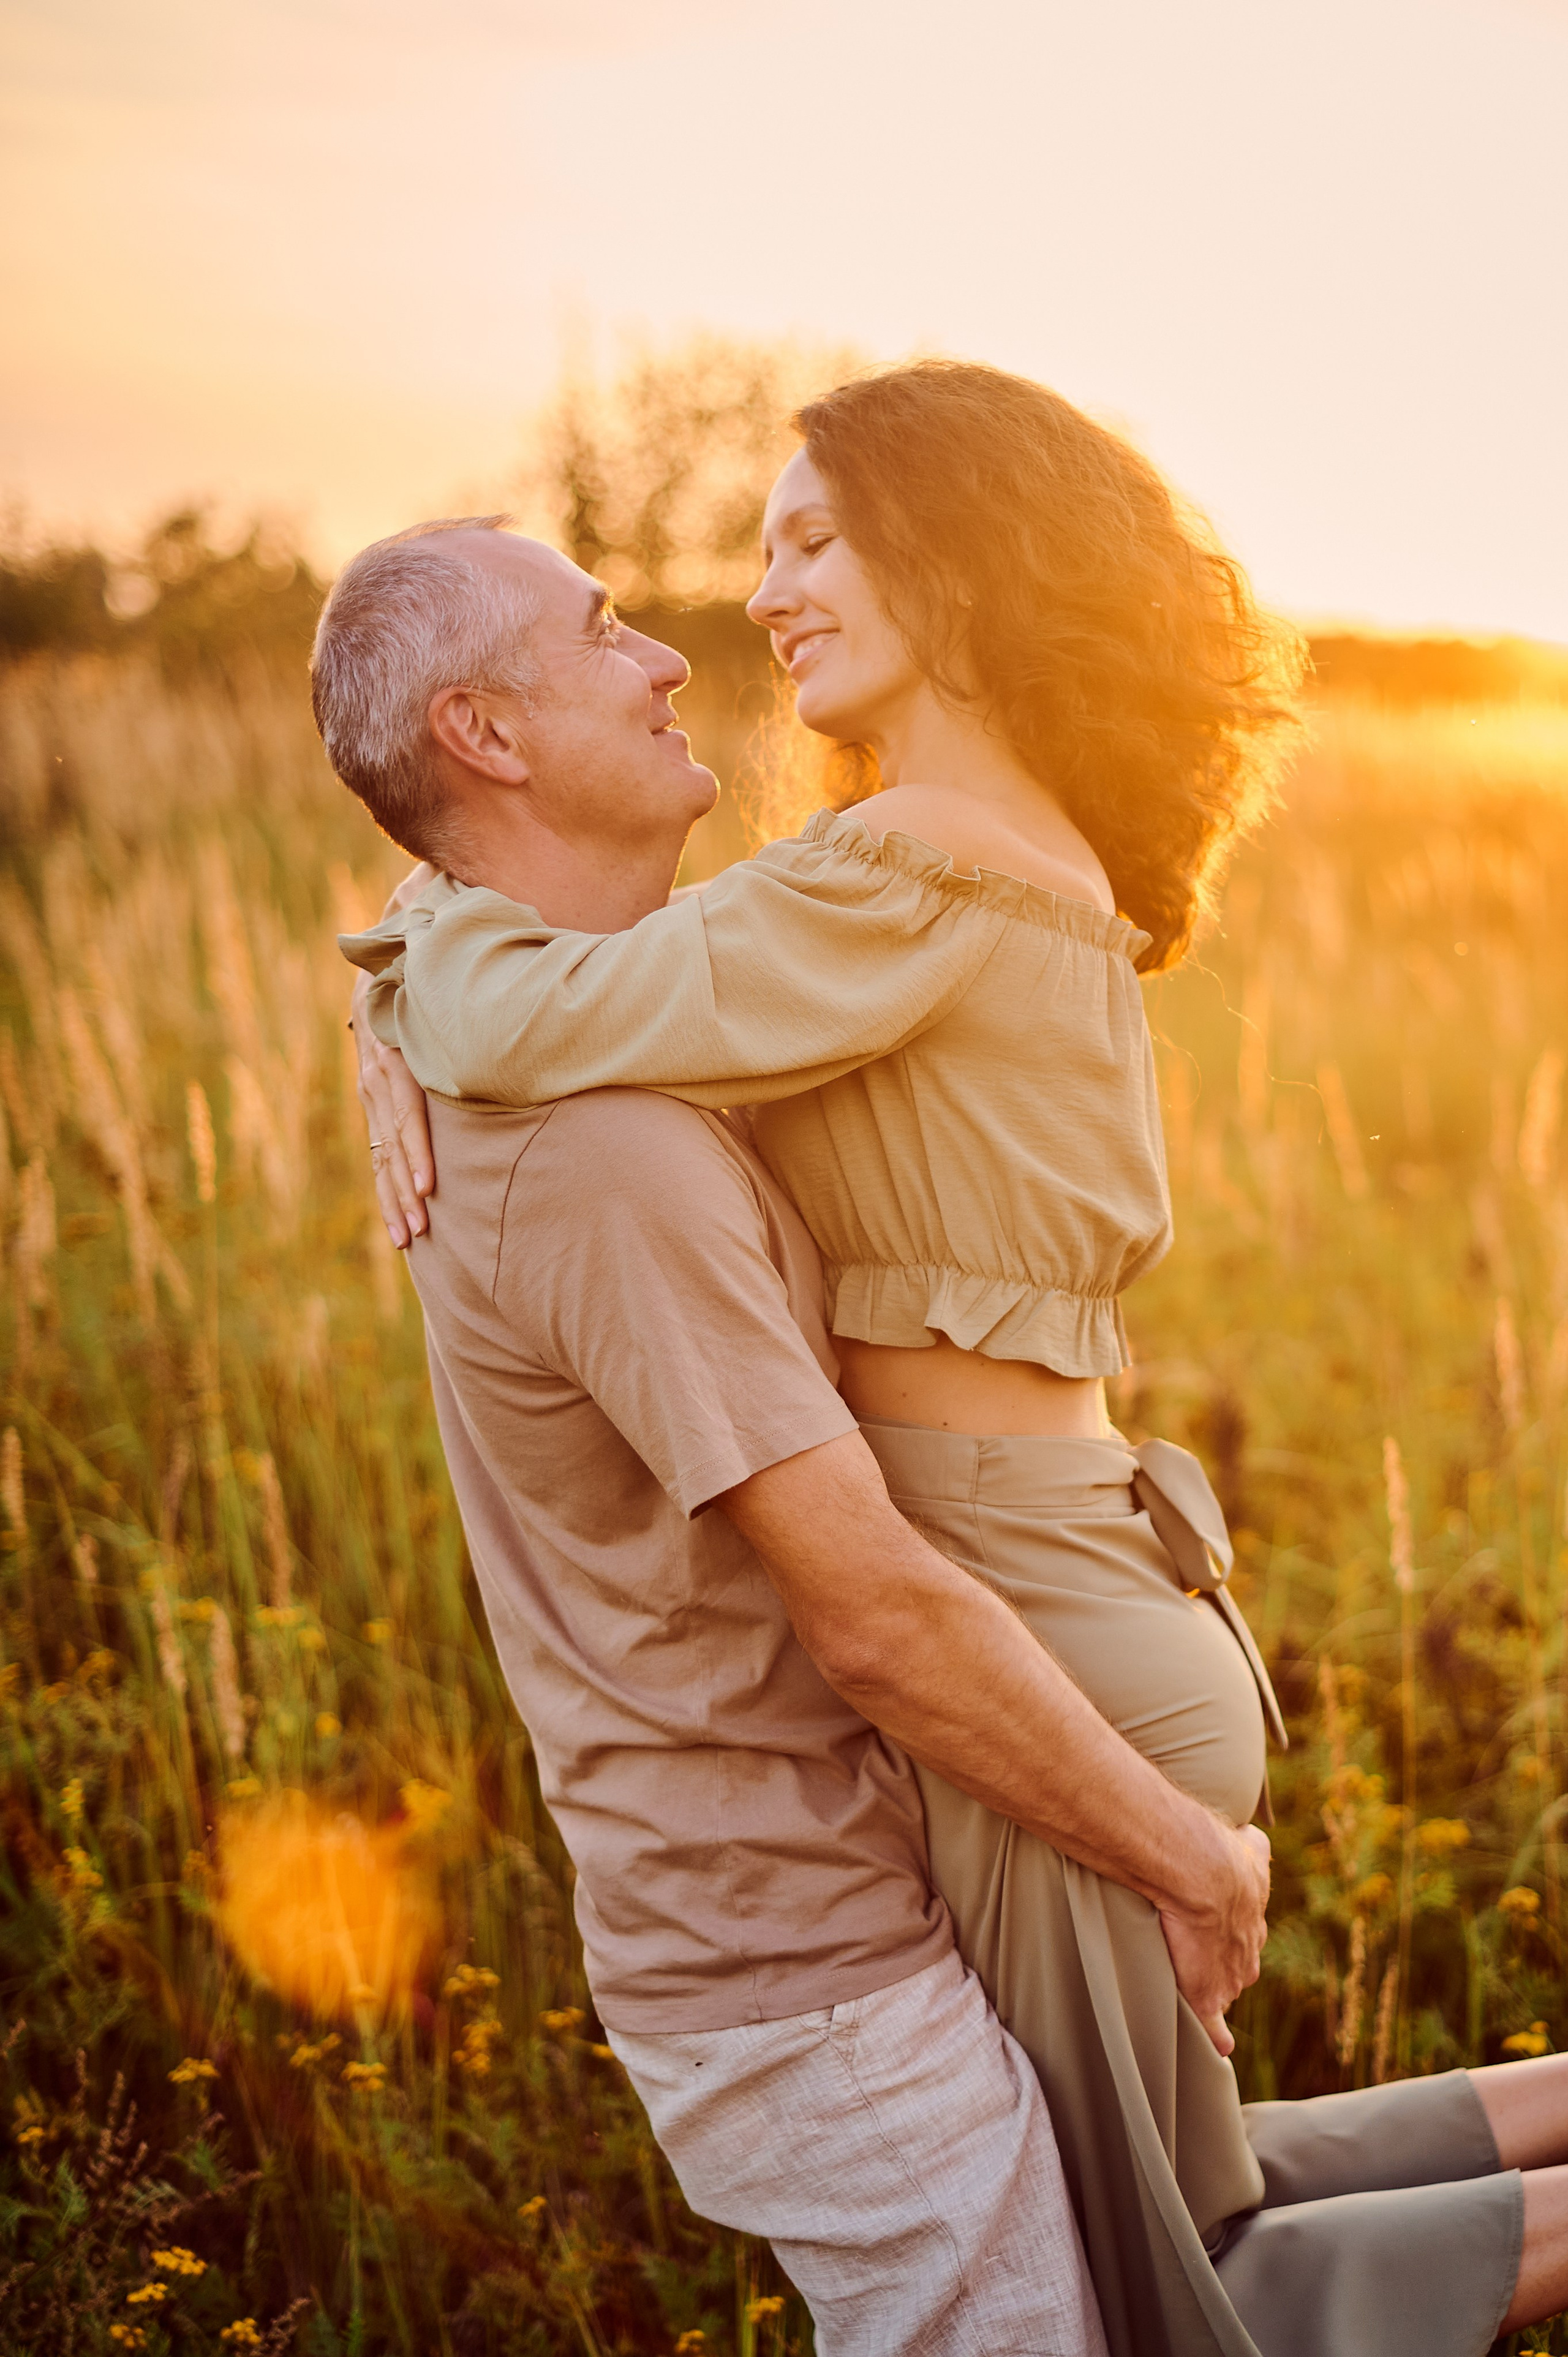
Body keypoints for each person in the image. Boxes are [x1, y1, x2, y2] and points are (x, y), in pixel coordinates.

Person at [337, 361, 1568, 2357]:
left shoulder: (909, 857)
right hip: (1083, 1570)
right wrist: (418, 957)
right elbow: (600, 987)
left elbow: (553, 1014)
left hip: (1021, 1601)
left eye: (813, 536)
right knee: (1204, 2213)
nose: (756, 598)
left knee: (1193, 2298)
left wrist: (408, 959)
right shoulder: (940, 862)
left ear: (961, 559)